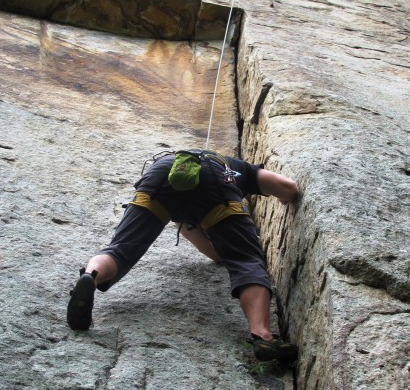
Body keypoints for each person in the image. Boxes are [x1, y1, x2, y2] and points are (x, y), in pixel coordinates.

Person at [67, 149, 298, 363]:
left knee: (120, 250)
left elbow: (212, 254)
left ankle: (90, 276)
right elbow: (288, 187)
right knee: (246, 260)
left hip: (160, 175)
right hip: (216, 178)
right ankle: (263, 336)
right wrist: (281, 198)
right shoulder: (239, 168)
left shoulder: (176, 180)